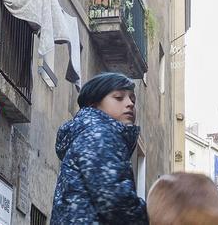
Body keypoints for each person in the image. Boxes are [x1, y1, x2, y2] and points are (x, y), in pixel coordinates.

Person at [52, 72, 148, 224]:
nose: (130, 103)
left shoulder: (91, 134)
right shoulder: (99, 134)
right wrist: (153, 216)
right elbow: (116, 201)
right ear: (93, 104)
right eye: (119, 97)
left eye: (132, 99)